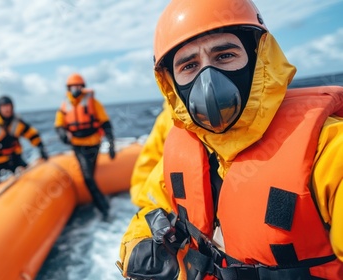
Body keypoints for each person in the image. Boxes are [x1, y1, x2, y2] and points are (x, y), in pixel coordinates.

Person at [118, 0, 343, 279]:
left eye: (224, 55)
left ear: (258, 56)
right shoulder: (181, 151)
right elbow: (152, 205)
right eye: (189, 65)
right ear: (172, 82)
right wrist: (138, 243)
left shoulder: (329, 149)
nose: (208, 81)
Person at [54, 73, 116, 218]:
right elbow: (58, 124)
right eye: (73, 86)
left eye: (78, 86)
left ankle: (104, 208)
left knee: (88, 177)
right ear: (68, 88)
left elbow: (105, 123)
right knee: (88, 177)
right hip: (77, 145)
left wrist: (111, 144)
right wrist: (62, 133)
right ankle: (103, 206)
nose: (76, 89)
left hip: (93, 144)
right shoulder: (65, 105)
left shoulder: (93, 102)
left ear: (82, 87)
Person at [0, 96, 48, 189]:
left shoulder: (18, 123)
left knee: (30, 175)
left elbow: (32, 134)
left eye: (9, 106)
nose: (7, 109)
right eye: (4, 107)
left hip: (14, 158)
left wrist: (40, 147)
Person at [129, 102, 173, 203]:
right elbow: (149, 163)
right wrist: (144, 202)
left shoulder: (166, 117)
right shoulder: (166, 118)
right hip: (173, 211)